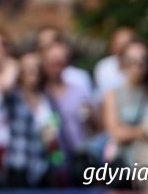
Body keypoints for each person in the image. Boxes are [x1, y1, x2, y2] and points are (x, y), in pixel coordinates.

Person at [102, 39, 148, 167]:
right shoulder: (111, 95)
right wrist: (145, 131)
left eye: (142, 61)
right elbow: (115, 133)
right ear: (121, 62)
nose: (136, 66)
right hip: (123, 161)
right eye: (129, 61)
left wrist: (131, 132)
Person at [0, 52, 53, 189]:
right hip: (17, 166)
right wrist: (16, 65)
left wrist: (56, 158)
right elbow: (3, 86)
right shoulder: (13, 98)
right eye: (28, 69)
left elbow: (52, 134)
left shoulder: (47, 99)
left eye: (36, 68)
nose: (33, 72)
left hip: (42, 167)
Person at [41, 40, 93, 186]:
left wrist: (90, 115)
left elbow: (94, 124)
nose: (57, 66)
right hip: (50, 161)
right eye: (52, 62)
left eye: (60, 61)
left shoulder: (79, 90)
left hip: (78, 158)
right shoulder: (39, 94)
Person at [36, 27, 93, 96]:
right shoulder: (34, 80)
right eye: (43, 47)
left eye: (52, 44)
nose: (51, 53)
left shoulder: (79, 78)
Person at [94, 27, 136, 100]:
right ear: (113, 45)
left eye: (127, 44)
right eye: (120, 44)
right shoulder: (104, 66)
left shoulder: (141, 65)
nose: (123, 48)